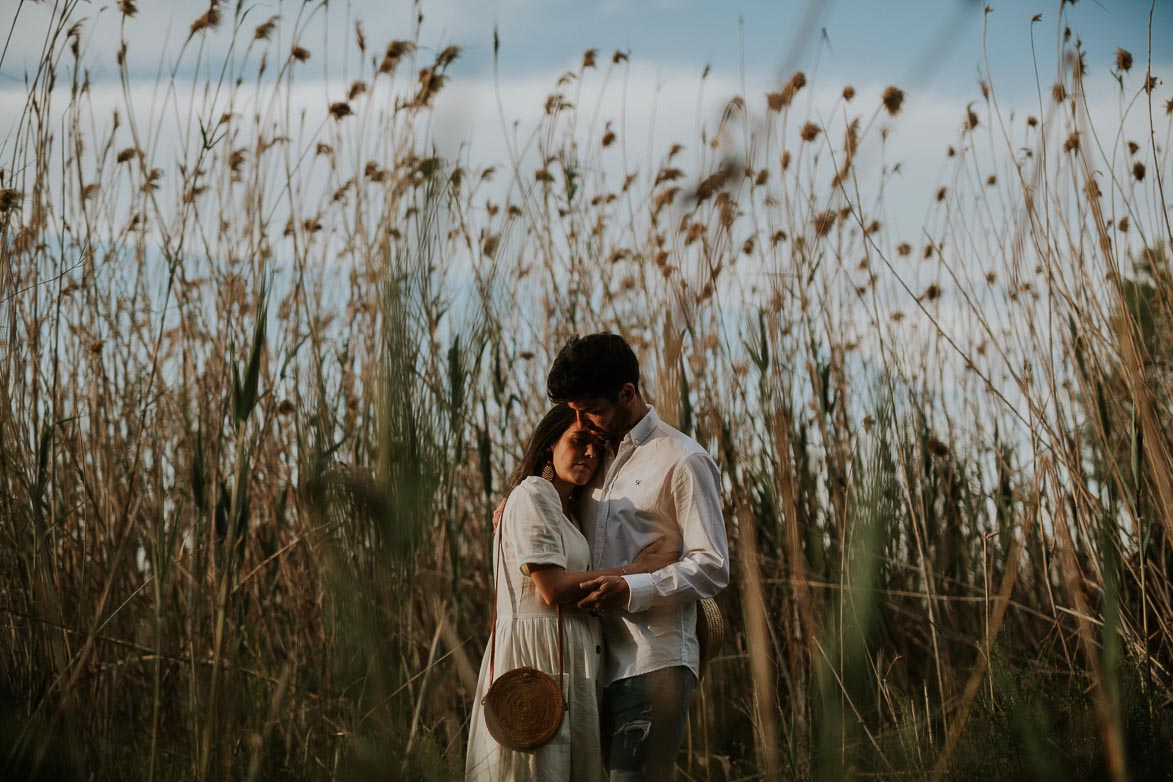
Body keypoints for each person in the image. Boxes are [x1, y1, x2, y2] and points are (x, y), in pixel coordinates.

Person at [548, 332, 729, 782]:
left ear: (627, 393)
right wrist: (519, 502)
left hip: (655, 660)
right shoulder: (590, 459)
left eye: (589, 409)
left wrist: (631, 588)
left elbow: (712, 565)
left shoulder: (683, 460)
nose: (580, 421)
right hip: (589, 663)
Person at [466, 404, 678, 782]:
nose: (590, 453)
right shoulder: (534, 494)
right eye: (579, 441)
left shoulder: (570, 511)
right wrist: (638, 570)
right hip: (538, 656)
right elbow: (552, 588)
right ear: (550, 445)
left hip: (570, 657)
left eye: (597, 445)